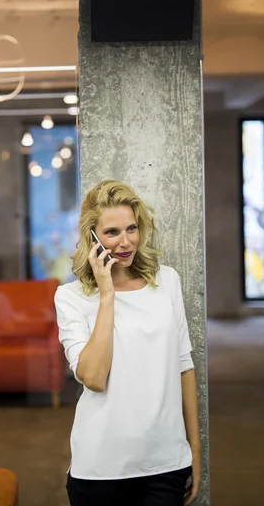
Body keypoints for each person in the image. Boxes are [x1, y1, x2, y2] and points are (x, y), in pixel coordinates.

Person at [54, 180, 202, 506]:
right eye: (112, 232)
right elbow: (93, 378)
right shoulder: (71, 297)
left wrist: (195, 451)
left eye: (131, 228)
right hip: (99, 466)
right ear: (91, 237)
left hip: (166, 463)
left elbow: (184, 366)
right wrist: (107, 293)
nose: (125, 241)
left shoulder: (166, 282)